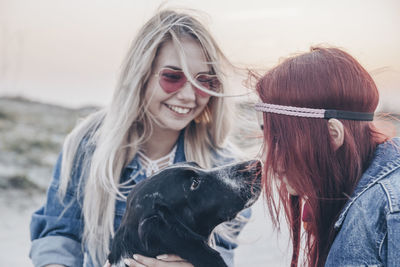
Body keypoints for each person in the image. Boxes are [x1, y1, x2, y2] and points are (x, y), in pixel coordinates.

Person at [30, 9, 247, 267]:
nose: (189, 96)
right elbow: (59, 235)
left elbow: (224, 254)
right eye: (173, 77)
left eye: (204, 81)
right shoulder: (88, 144)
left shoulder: (224, 165)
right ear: (141, 74)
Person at [254, 47, 400, 267]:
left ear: (333, 135)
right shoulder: (366, 198)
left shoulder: (387, 210)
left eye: (279, 138)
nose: (269, 158)